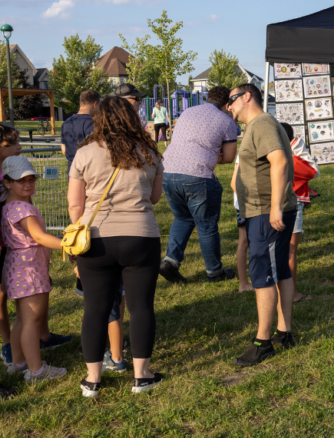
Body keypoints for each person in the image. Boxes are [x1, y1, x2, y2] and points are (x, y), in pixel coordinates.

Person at [68, 96, 165, 397]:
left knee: (95, 309)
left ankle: (92, 379)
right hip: (140, 236)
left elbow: (75, 205)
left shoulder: (84, 153)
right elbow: (154, 198)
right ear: (132, 117)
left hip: (95, 239)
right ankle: (142, 375)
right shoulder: (149, 152)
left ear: (99, 118)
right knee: (140, 308)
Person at [228, 84, 298, 367]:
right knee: (279, 269)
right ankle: (284, 332)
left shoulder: (262, 124)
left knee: (263, 276)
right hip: (265, 211)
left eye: (232, 100)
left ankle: (263, 343)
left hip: (266, 213)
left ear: (247, 97)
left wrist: (275, 207)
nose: (228, 106)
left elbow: (279, 162)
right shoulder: (260, 124)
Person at [0, 127, 70, 367]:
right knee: (32, 320)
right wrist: (68, 246)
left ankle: (18, 362)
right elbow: (39, 236)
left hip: (16, 267)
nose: (28, 184)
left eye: (31, 179)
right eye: (21, 181)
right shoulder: (22, 208)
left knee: (21, 319)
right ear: (7, 182)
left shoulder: (10, 206)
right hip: (28, 269)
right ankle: (36, 369)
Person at [159, 85, 239, 284]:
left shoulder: (188, 112)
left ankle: (170, 261)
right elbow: (229, 158)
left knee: (182, 218)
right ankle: (215, 272)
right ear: (227, 104)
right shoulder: (226, 121)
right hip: (197, 176)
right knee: (207, 226)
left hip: (167, 172)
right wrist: (213, 154)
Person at [280, 122, 319, 303]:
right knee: (290, 252)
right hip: (292, 205)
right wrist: (296, 149)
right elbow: (312, 170)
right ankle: (292, 294)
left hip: (267, 205)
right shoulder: (290, 154)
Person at [61, 89, 101, 173]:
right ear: (95, 104)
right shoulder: (91, 123)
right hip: (89, 170)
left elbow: (64, 150)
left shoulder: (66, 122)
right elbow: (96, 148)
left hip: (72, 170)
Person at [230, 155, 251, 293]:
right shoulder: (244, 153)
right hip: (245, 205)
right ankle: (243, 283)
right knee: (244, 241)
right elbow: (234, 183)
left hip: (255, 204)